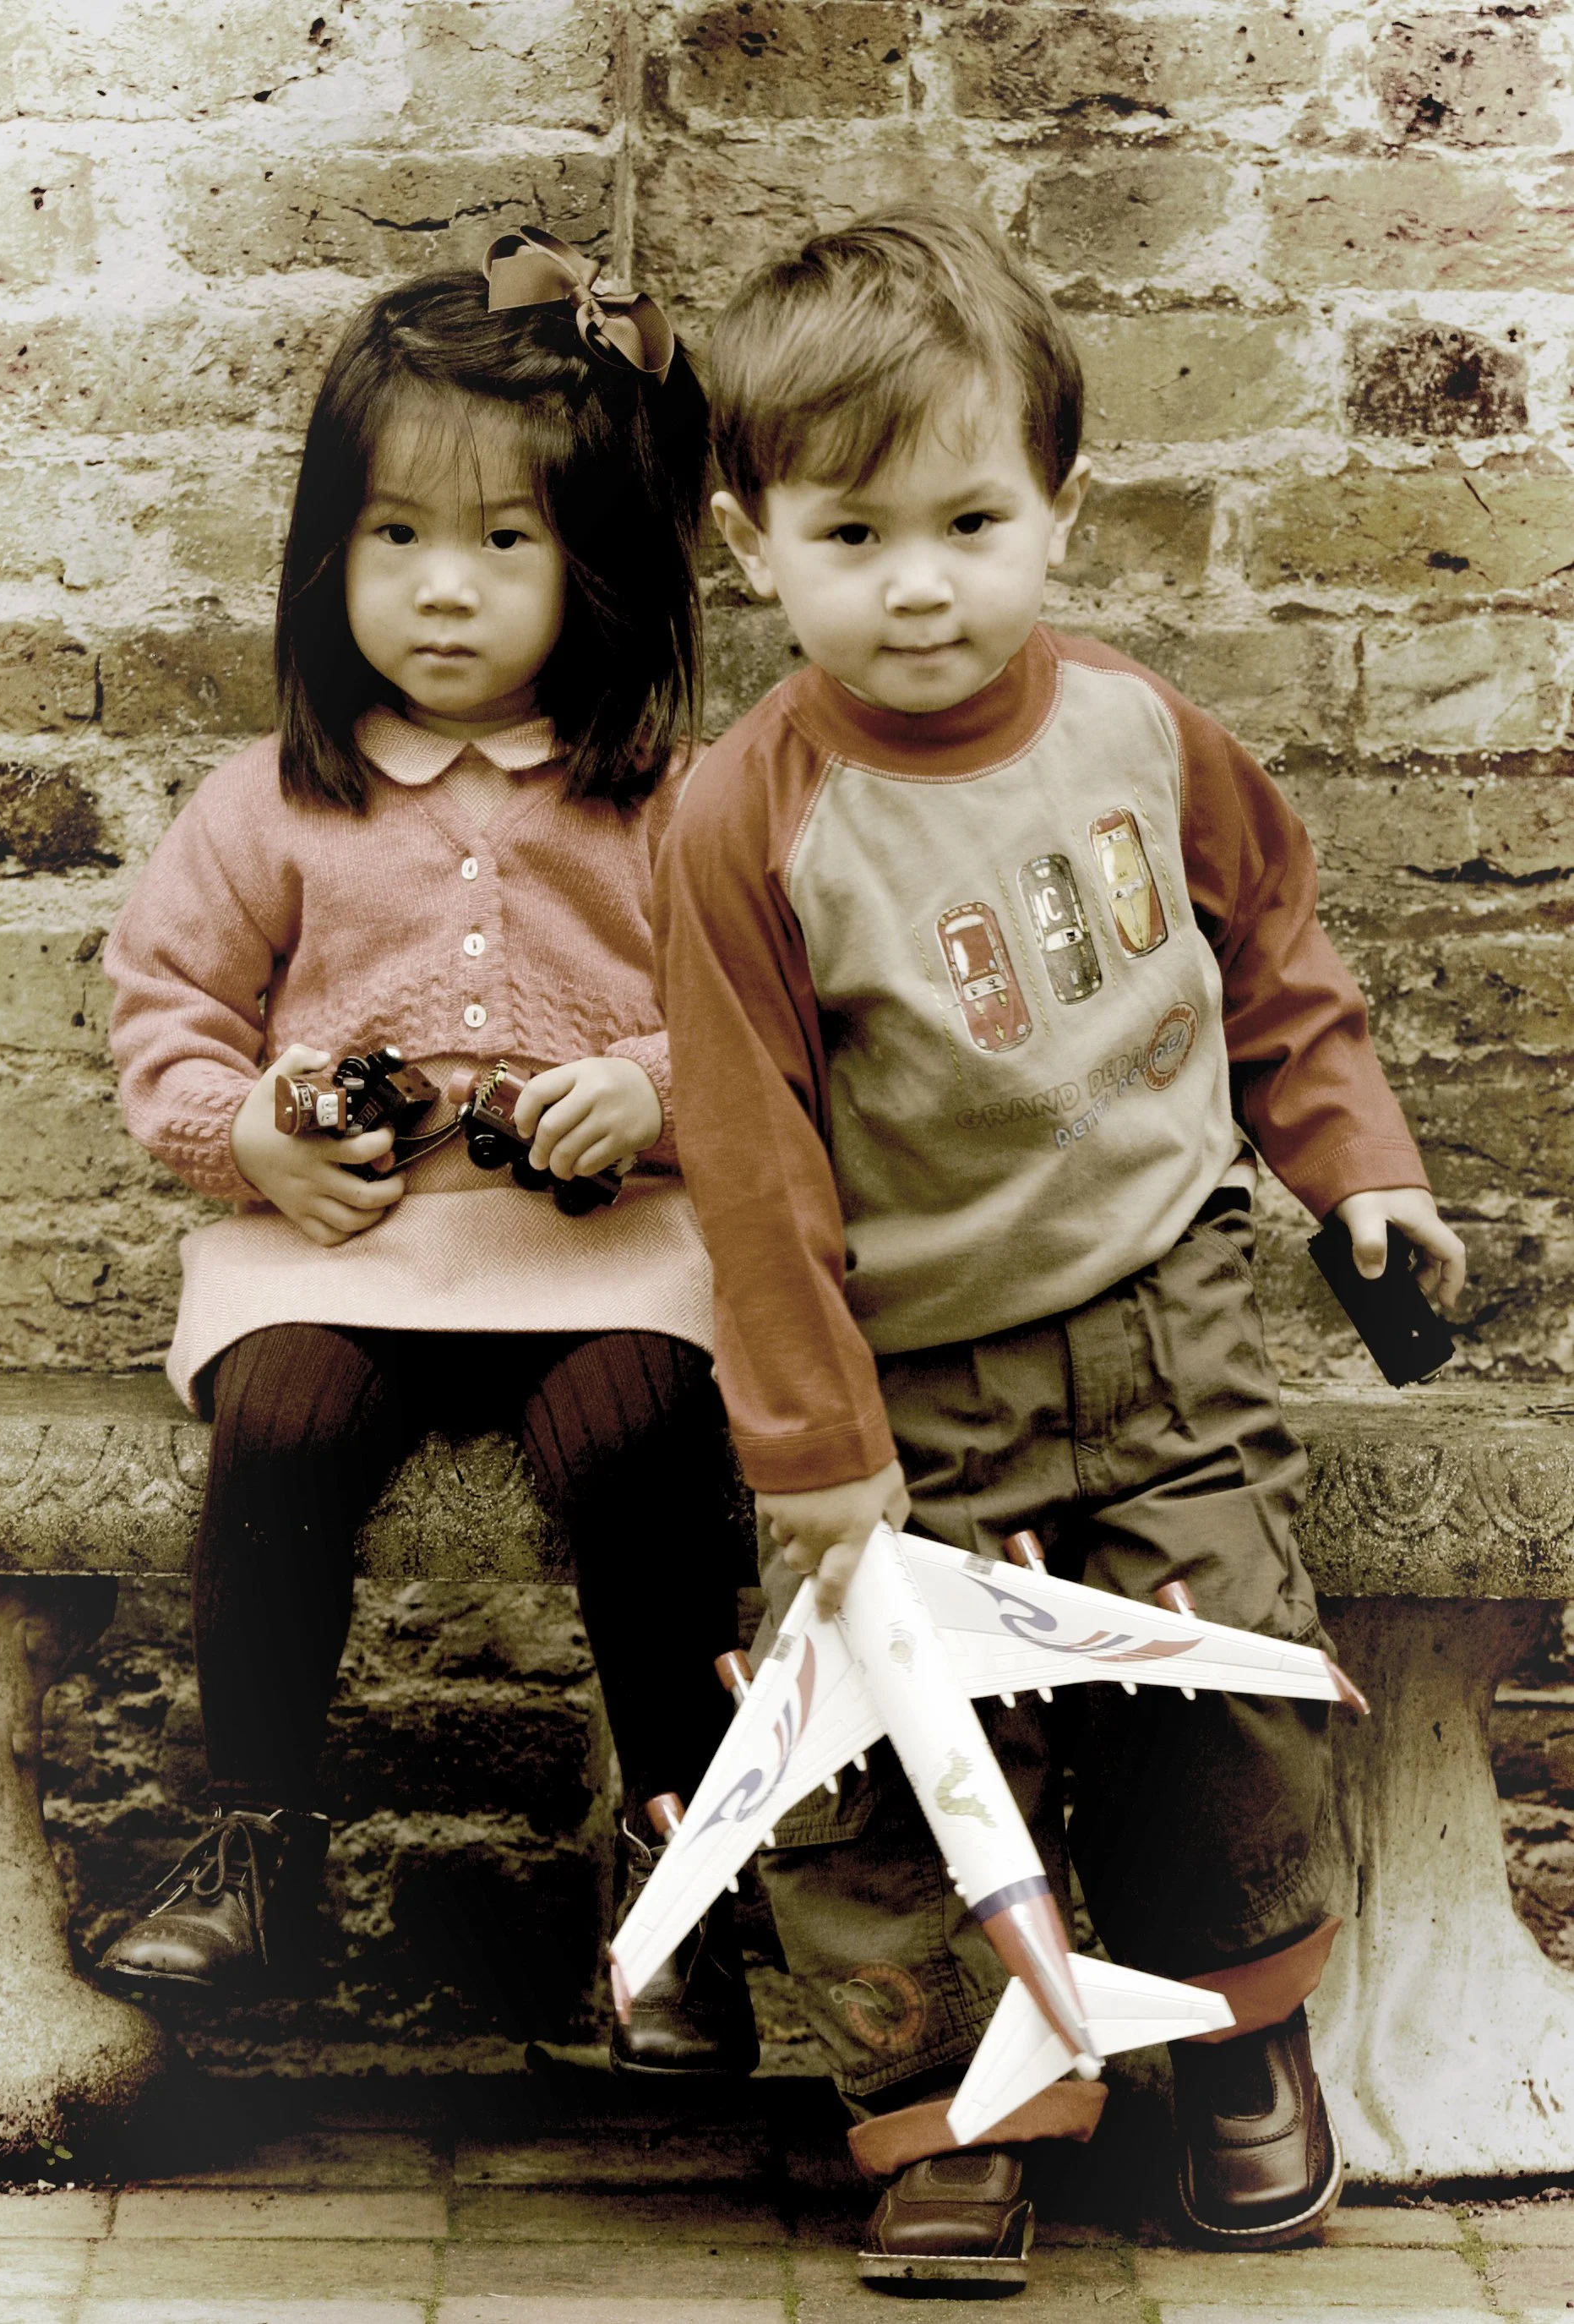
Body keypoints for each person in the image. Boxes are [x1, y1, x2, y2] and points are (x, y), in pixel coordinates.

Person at [652, 206, 1467, 2286]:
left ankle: (1237, 2048)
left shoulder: (1141, 734)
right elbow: (747, 1161)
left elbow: (1273, 961)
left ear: (1059, 511)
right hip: (910, 1373)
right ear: (753, 543)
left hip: (1166, 1322)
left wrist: (1352, 1166)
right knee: (904, 1751)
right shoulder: (748, 819)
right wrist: (819, 1447)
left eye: (968, 518)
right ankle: (957, 2107)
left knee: (1215, 1690)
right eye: (850, 536)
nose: (918, 584)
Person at [97, 231, 757, 2079]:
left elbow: (764, 1020)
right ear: (331, 555)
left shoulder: (667, 798)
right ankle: (254, 1842)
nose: (441, 593)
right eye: (395, 537)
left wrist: (648, 1089)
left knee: (640, 1430)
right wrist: (246, 1133)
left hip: (604, 1253)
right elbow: (167, 1011)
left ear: (597, 564)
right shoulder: (272, 803)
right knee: (286, 1419)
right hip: (348, 1249)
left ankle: (685, 1878)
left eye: (502, 544)